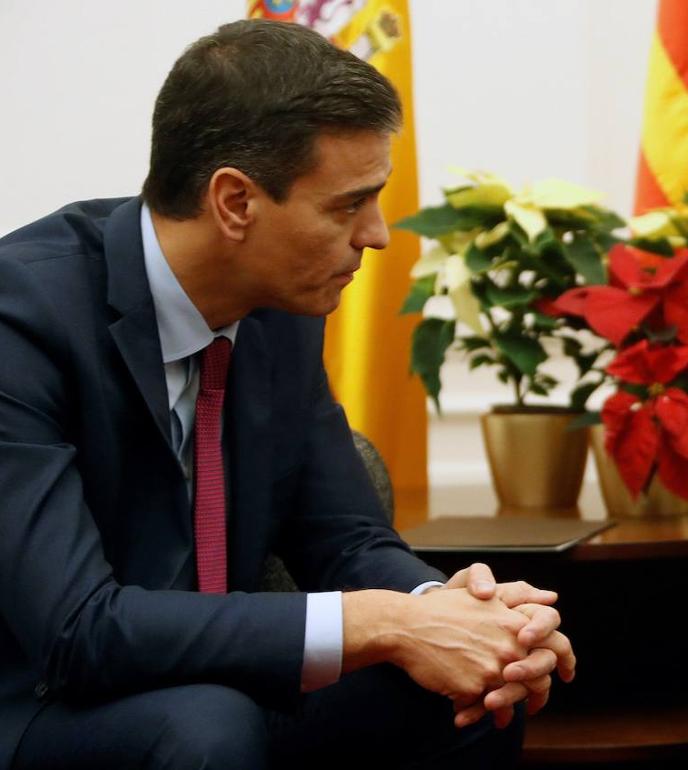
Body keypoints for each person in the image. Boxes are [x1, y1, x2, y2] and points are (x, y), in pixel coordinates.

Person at [0, 19, 574, 770]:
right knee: (205, 724)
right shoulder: (23, 317)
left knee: (471, 690)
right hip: (39, 702)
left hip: (220, 689)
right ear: (236, 202)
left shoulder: (279, 311)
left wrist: (455, 617)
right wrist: (381, 623)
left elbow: (346, 539)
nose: (376, 235)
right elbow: (79, 629)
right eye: (347, 206)